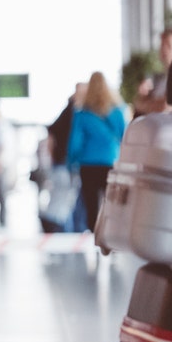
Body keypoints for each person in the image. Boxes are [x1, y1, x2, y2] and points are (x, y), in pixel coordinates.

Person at [67, 71, 126, 233]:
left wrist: (71, 161)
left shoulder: (81, 114)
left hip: (88, 164)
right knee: (111, 202)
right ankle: (111, 233)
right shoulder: (118, 111)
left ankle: (95, 236)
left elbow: (75, 142)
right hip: (111, 162)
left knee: (91, 204)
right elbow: (125, 137)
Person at [41, 82, 86, 233]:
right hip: (65, 163)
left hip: (64, 163)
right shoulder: (73, 113)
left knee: (63, 199)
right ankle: (57, 228)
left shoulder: (72, 112)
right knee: (63, 199)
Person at [133, 27, 172, 117]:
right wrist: (145, 99)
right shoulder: (157, 78)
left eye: (168, 45)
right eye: (162, 45)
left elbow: (164, 107)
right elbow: (137, 103)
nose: (164, 49)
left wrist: (146, 103)